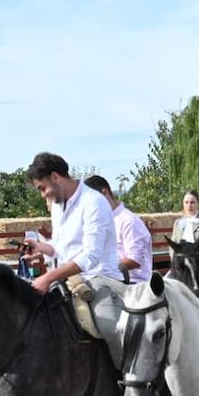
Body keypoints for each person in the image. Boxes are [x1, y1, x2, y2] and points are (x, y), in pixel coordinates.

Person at [21, 152, 126, 373]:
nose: (43, 195)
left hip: (99, 279)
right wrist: (42, 249)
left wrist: (48, 277)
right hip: (67, 280)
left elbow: (90, 255)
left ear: (55, 176)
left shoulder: (93, 202)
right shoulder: (57, 207)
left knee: (109, 325)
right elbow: (61, 249)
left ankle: (127, 379)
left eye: (42, 188)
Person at [83, 175, 153, 282]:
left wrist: (101, 269)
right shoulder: (100, 222)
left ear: (105, 193)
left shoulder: (129, 221)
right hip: (108, 280)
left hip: (132, 283)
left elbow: (135, 260)